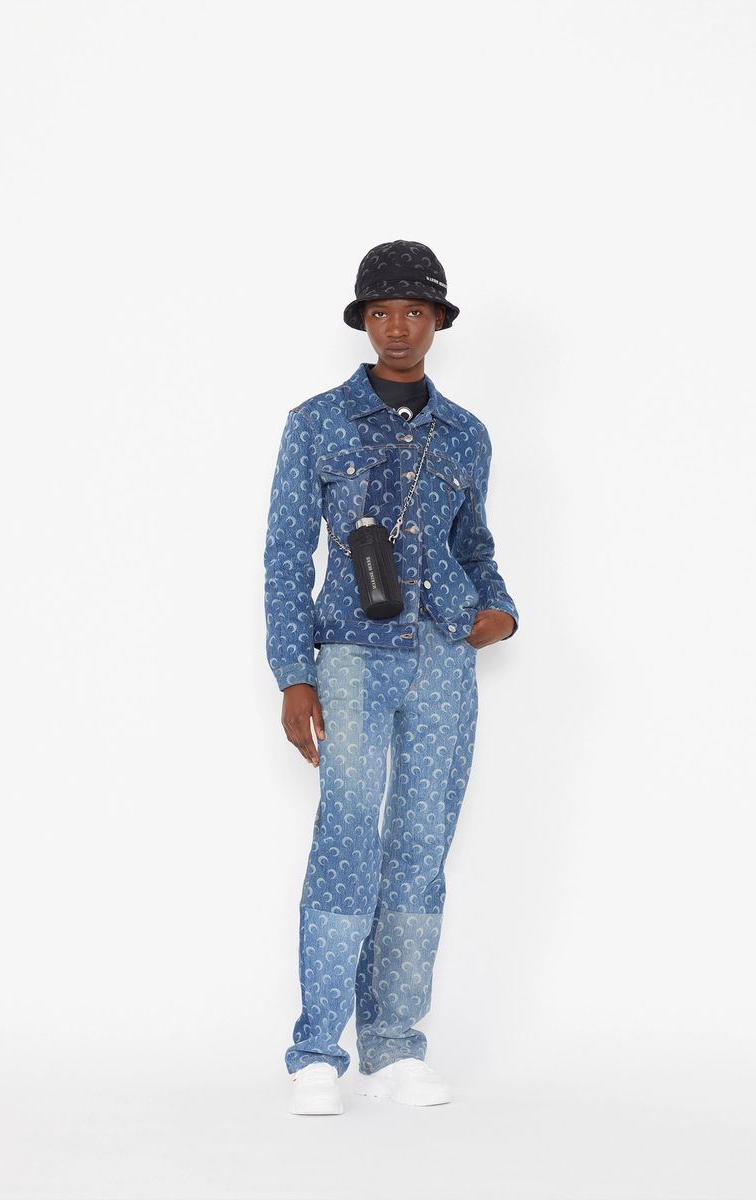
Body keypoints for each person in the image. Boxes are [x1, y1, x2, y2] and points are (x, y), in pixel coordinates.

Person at [263, 239, 519, 1115]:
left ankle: (397, 1044)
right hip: (351, 657)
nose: (397, 328)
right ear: (364, 322)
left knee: (420, 848)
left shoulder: (467, 434)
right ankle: (315, 1052)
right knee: (346, 842)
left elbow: (475, 547)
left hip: (446, 658)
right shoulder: (315, 423)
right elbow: (285, 555)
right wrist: (293, 673)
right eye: (381, 312)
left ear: (438, 320)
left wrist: (500, 609)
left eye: (414, 311)